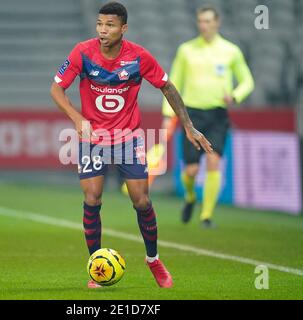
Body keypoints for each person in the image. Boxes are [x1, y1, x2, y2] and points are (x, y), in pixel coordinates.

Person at [50, 2, 212, 288]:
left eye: (109, 25)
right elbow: (56, 88)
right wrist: (77, 119)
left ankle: (153, 260)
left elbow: (167, 86)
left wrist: (187, 125)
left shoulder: (138, 57)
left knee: (141, 200)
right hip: (93, 139)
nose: (103, 30)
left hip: (128, 138)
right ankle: (97, 267)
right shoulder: (82, 52)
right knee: (92, 199)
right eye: (100, 24)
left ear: (123, 28)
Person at [162, 5, 254, 228]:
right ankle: (191, 196)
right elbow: (171, 84)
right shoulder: (186, 50)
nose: (204, 25)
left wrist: (235, 95)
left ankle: (206, 216)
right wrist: (168, 115)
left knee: (214, 162)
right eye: (200, 21)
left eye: (208, 21)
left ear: (217, 22)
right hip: (191, 115)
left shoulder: (231, 51)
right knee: (191, 171)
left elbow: (247, 81)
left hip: (217, 115)